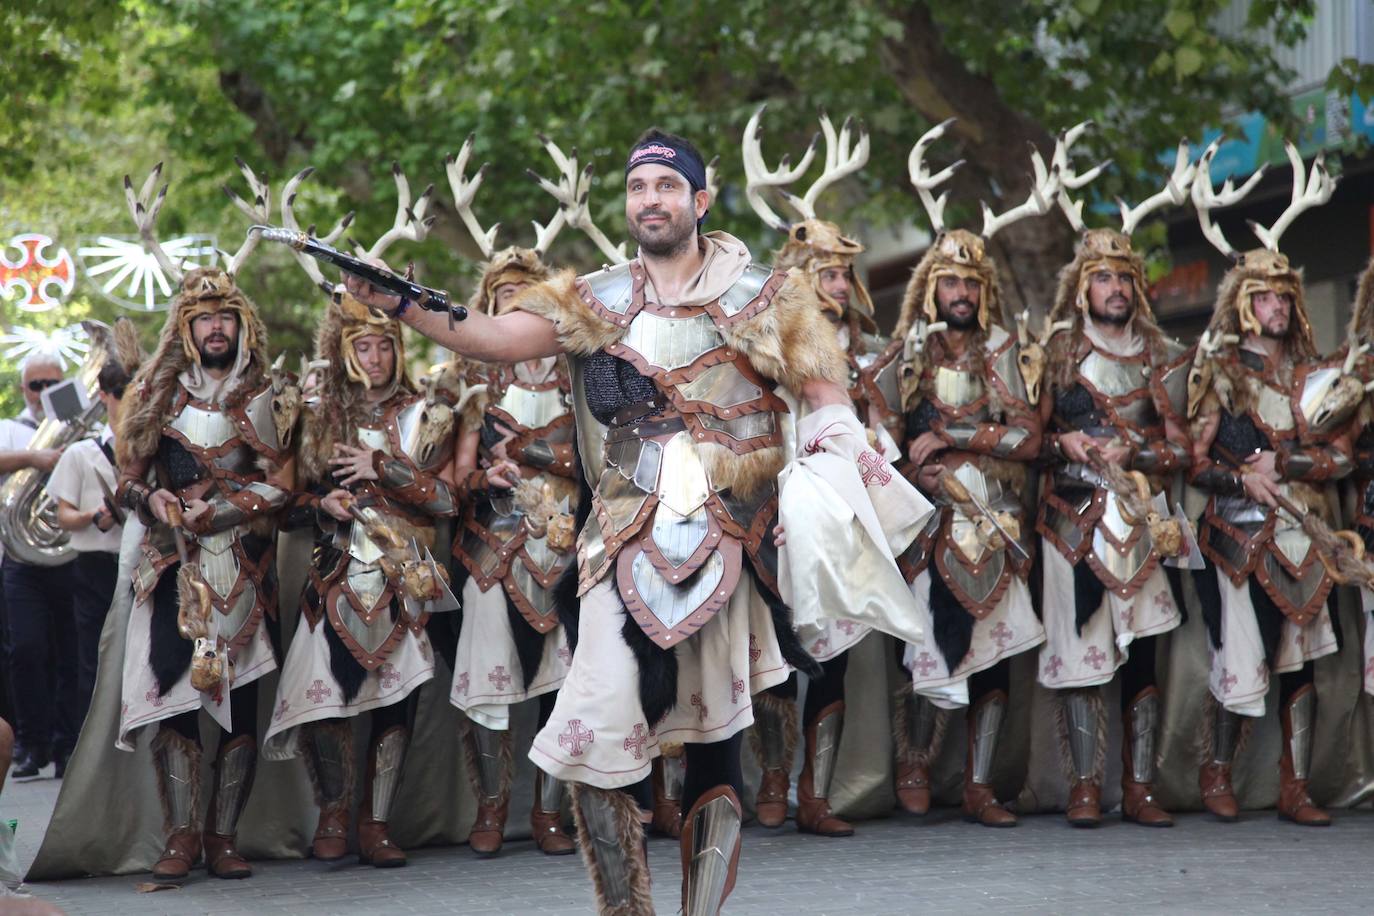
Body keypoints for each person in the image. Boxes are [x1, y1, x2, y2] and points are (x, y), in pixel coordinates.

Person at [344, 127, 925, 915]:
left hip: (726, 541)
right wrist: (402, 300)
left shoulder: (768, 296)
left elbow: (829, 407)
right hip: (620, 545)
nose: (650, 200)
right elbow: (492, 337)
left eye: (665, 186)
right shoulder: (595, 299)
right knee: (586, 746)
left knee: (716, 750)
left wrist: (812, 495)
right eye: (638, 188)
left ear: (699, 200)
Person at [739, 108, 900, 837]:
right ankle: (771, 783)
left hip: (847, 510)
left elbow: (879, 425)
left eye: (842, 272)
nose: (837, 282)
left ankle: (815, 795)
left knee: (836, 656)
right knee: (778, 644)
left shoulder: (868, 348)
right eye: (823, 271)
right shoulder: (758, 343)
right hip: (775, 505)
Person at [888, 128, 1049, 825]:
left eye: (970, 283)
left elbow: (1028, 436)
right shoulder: (907, 352)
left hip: (999, 519)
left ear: (984, 292)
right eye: (949, 280)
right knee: (923, 647)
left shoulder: (1009, 349)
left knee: (994, 654)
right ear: (932, 287)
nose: (959, 292)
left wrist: (950, 436)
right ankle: (915, 762)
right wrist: (921, 453)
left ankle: (981, 785)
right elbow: (892, 442)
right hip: (929, 522)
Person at [115, 257, 293, 879]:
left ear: (242, 326)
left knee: (242, 706)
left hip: (245, 564)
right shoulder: (154, 393)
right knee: (178, 698)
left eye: (225, 317)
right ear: (185, 330)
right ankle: (181, 836)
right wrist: (155, 499)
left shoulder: (267, 393)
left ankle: (225, 837)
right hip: (174, 568)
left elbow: (285, 486)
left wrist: (223, 512)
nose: (216, 328)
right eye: (204, 319)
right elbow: (125, 486)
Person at [1187, 143, 1347, 826]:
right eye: (1264, 296)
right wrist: (1240, 481)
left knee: (1303, 659)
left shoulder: (1316, 376)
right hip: (1237, 533)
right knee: (1241, 656)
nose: (1277, 305)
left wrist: (1289, 468)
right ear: (1242, 305)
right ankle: (1216, 772)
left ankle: (1295, 784)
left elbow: (1338, 457)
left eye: (1285, 295)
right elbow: (1192, 463)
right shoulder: (1219, 371)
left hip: (1305, 534)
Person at [1034, 146, 1194, 827]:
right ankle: (1083, 786)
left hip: (1140, 513)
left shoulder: (1162, 356)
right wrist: (1063, 442)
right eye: (1103, 279)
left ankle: (1140, 788)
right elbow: (1026, 439)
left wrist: (1140, 448)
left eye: (1124, 278)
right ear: (1083, 287)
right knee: (1080, 654)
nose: (1115, 290)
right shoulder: (1056, 353)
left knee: (1144, 655)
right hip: (1071, 516)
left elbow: (1185, 445)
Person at [441, 150, 581, 856]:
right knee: (489, 682)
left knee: (566, 682)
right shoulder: (475, 384)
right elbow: (457, 476)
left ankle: (551, 814)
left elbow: (594, 459)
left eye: (530, 297)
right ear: (489, 309)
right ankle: (492, 810)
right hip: (494, 547)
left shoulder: (579, 377)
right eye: (505, 299)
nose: (517, 308)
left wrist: (531, 456)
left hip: (565, 545)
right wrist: (482, 481)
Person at [0, 352, 78, 781]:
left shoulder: (87, 427)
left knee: (72, 652)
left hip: (68, 554)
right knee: (25, 650)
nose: (44, 393)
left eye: (53, 385)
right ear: (23, 389)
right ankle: (31, 744)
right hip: (19, 557)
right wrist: (35, 459)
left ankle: (69, 746)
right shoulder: (9, 429)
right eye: (36, 386)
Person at [49, 360, 131, 725]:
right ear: (103, 396)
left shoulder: (152, 451)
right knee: (93, 662)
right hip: (94, 567)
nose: (125, 401)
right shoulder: (81, 452)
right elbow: (62, 517)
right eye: (118, 394)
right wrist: (92, 516)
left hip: (138, 564)